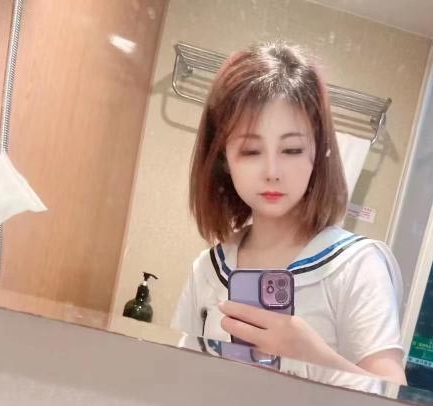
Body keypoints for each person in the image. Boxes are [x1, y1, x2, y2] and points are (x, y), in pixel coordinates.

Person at [172, 41, 406, 385]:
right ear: (223, 158)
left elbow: (394, 401)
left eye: (292, 149)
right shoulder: (207, 269)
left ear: (319, 152)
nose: (272, 172)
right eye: (251, 150)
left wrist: (313, 357)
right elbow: (180, 379)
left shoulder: (355, 266)